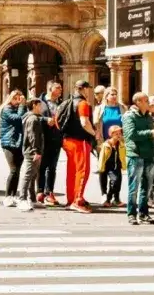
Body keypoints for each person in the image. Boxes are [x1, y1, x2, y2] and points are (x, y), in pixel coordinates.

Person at [59, 79, 97, 214]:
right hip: (80, 140)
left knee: (72, 170)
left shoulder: (66, 103)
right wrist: (94, 133)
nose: (89, 92)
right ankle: (78, 200)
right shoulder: (82, 103)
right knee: (82, 171)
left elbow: (58, 120)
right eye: (88, 89)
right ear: (83, 89)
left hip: (67, 140)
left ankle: (71, 199)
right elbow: (84, 122)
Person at [123, 91, 154, 225]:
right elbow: (131, 135)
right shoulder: (129, 116)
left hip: (150, 155)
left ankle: (144, 213)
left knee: (147, 186)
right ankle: (131, 214)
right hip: (136, 155)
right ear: (138, 102)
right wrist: (151, 133)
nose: (148, 103)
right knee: (134, 187)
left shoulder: (148, 117)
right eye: (145, 100)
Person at [94, 87, 125, 203]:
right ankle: (104, 194)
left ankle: (115, 196)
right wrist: (97, 142)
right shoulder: (100, 109)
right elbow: (96, 126)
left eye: (115, 94)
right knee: (103, 168)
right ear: (106, 96)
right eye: (111, 94)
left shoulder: (122, 108)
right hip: (104, 143)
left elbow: (126, 124)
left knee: (117, 169)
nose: (114, 96)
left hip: (118, 143)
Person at [14, 97, 45, 212]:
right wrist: (36, 151)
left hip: (32, 150)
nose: (41, 108)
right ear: (34, 105)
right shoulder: (33, 119)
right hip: (31, 151)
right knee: (28, 175)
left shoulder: (32, 117)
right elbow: (33, 136)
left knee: (33, 175)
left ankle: (32, 199)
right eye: (39, 105)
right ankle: (22, 199)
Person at [37, 81, 64, 206]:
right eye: (58, 87)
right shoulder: (39, 102)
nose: (60, 90)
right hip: (43, 138)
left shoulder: (61, 103)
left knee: (52, 167)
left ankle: (49, 192)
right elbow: (30, 117)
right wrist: (45, 119)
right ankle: (40, 191)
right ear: (50, 89)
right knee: (42, 166)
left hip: (56, 139)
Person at [0, 90, 25, 207]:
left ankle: (13, 196)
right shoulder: (7, 109)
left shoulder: (18, 108)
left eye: (19, 98)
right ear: (10, 98)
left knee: (17, 170)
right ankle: (7, 196)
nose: (18, 100)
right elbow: (18, 119)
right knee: (13, 170)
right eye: (15, 98)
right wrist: (22, 106)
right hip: (9, 142)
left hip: (18, 142)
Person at [97, 124, 127, 208]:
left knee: (117, 182)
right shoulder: (106, 145)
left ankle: (115, 199)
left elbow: (124, 155)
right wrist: (101, 168)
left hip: (117, 166)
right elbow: (102, 157)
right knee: (110, 182)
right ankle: (107, 198)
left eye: (120, 133)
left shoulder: (121, 144)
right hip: (107, 166)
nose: (119, 135)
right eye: (116, 134)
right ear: (111, 134)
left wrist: (123, 165)